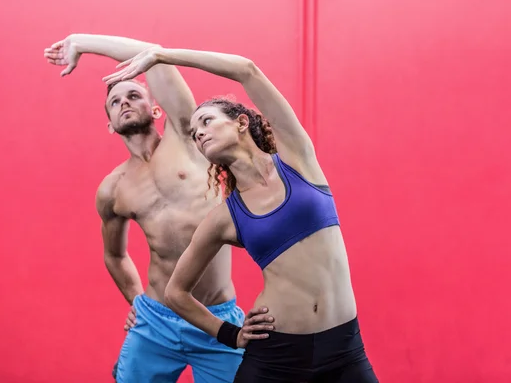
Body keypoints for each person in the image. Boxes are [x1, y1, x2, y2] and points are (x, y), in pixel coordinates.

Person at [102, 46, 380, 383]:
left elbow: (247, 70)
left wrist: (161, 56)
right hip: (276, 353)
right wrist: (229, 335)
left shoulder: (298, 159)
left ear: (241, 122)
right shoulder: (224, 217)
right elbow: (175, 292)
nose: (199, 132)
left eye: (206, 121)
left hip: (344, 349)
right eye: (193, 132)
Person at [43, 34, 275, 383]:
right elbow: (115, 256)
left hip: (216, 319)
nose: (124, 102)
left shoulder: (186, 138)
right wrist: (137, 301)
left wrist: (82, 42)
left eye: (134, 94)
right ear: (110, 124)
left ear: (156, 109)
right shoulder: (113, 188)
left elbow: (154, 55)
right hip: (155, 321)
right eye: (115, 101)